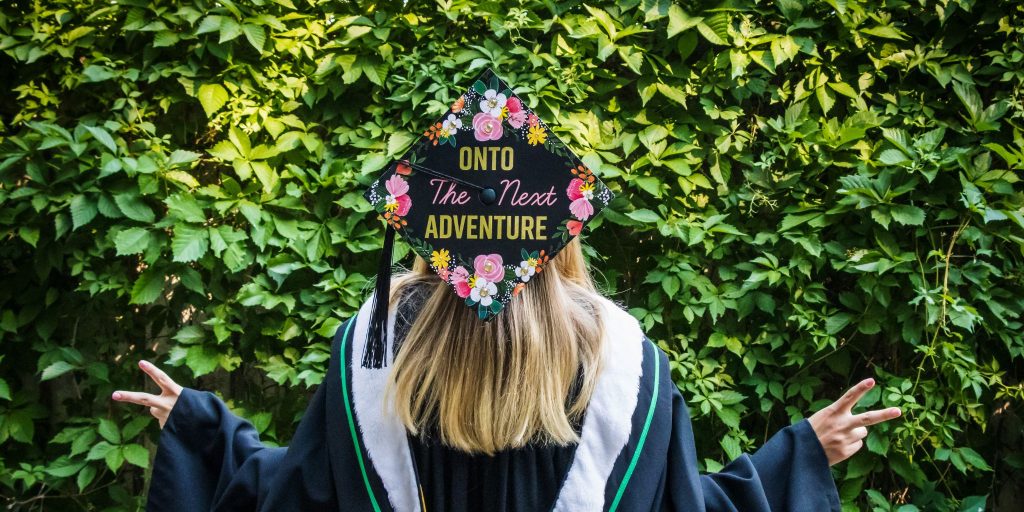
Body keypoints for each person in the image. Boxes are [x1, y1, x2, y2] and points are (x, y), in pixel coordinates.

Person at [113, 70, 901, 511]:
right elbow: (683, 509)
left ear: (430, 228)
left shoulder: (377, 351)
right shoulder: (626, 365)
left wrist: (205, 432)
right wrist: (796, 455)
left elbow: (296, 496)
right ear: (562, 230)